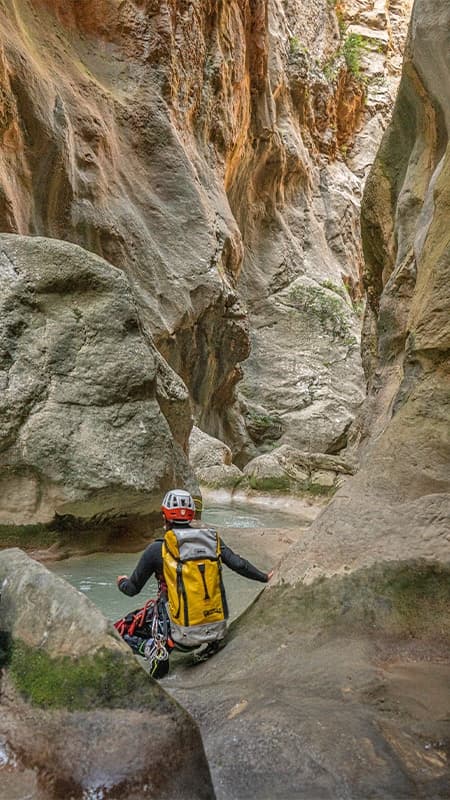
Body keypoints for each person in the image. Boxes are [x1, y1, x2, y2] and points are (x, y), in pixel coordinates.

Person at [116, 488, 273, 675]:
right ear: (191, 515)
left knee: (119, 632)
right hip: (215, 630)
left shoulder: (158, 548)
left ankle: (152, 648)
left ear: (164, 516)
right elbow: (239, 564)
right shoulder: (212, 540)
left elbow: (132, 589)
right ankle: (209, 643)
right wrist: (264, 577)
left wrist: (122, 582)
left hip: (178, 634)